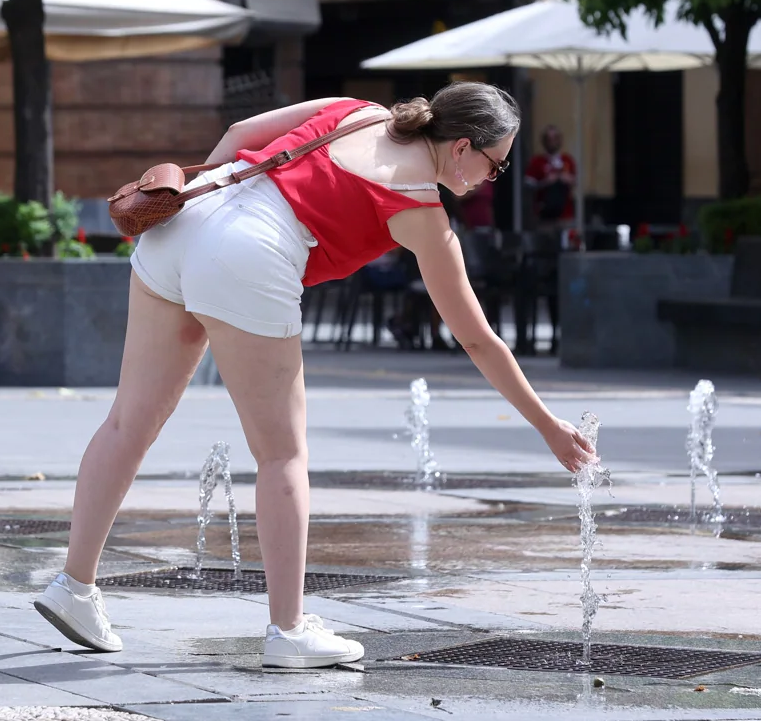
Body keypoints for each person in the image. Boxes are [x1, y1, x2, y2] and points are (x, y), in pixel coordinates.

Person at [33, 83, 598, 670]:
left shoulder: (360, 112)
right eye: (496, 162)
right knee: (282, 455)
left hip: (186, 216)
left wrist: (218, 229)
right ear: (460, 148)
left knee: (129, 421)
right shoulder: (421, 211)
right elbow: (477, 338)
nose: (493, 176)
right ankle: (288, 629)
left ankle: (73, 587)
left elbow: (235, 138)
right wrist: (548, 425)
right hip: (250, 252)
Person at [525, 124, 577, 228]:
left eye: (555, 138)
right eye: (549, 139)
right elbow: (527, 183)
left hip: (566, 214)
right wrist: (545, 182)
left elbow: (575, 180)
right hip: (545, 215)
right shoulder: (537, 161)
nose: (552, 142)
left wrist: (566, 179)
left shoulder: (567, 160)